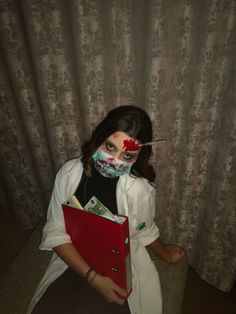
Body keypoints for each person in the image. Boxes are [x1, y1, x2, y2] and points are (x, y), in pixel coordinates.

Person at [27, 105, 185, 314]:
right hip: (74, 258)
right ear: (98, 137)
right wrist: (93, 279)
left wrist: (164, 254)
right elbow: (56, 231)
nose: (115, 161)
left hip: (117, 265)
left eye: (127, 156)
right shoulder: (68, 174)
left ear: (138, 156)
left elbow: (143, 228)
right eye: (110, 147)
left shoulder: (140, 191)